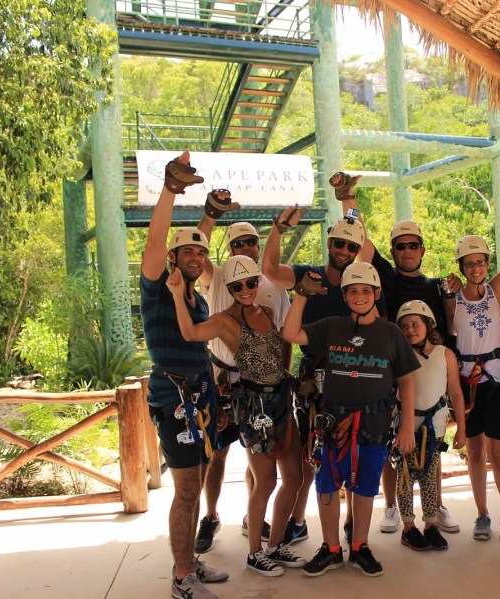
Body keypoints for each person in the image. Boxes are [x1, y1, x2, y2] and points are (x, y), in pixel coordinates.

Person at [167, 255, 307, 576]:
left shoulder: (267, 311)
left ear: (258, 282)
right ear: (229, 288)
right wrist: (177, 295)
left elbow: (284, 343)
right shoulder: (224, 320)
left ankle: (275, 545)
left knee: (294, 478)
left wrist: (286, 371)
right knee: (265, 482)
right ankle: (255, 553)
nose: (245, 290)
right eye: (237, 286)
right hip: (255, 406)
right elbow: (189, 333)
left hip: (281, 400)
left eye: (250, 283)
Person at [281, 262, 418, 578]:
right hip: (334, 424)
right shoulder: (332, 327)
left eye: (365, 291)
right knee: (327, 486)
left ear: (376, 294)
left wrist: (408, 425)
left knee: (365, 487)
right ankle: (331, 549)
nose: (359, 296)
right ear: (344, 296)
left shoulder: (390, 333)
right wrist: (301, 295)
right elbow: (290, 333)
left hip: (374, 424)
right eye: (352, 291)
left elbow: (407, 380)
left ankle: (359, 546)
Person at [262, 197, 385, 545]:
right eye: (339, 243)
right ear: (329, 243)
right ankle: (298, 520)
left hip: (352, 374)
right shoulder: (309, 276)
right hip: (315, 376)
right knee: (311, 451)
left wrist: (351, 205)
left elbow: (378, 331)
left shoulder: (359, 288)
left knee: (353, 447)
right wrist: (278, 229)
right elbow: (270, 270)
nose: (344, 250)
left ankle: (351, 524)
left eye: (351, 246)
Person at [139, 151, 228, 599]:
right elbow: (157, 243)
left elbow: (195, 248)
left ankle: (189, 561)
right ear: (172, 258)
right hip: (173, 396)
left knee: (199, 478)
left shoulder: (195, 298)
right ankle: (181, 576)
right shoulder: (158, 288)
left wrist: (209, 216)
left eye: (200, 252)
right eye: (185, 252)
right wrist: (170, 190)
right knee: (187, 487)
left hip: (201, 394)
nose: (194, 257)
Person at [192, 212, 297, 553]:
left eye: (251, 241)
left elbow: (284, 334)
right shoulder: (218, 276)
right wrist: (209, 216)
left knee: (259, 451)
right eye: (238, 243)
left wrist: (283, 376)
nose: (245, 247)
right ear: (229, 249)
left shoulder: (272, 283)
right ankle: (210, 515)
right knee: (217, 452)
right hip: (223, 374)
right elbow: (196, 255)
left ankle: (254, 518)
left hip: (263, 382)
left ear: (258, 245)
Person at [448, 188, 500, 543]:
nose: (476, 268)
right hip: (469, 385)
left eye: (481, 262)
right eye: (470, 264)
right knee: (475, 452)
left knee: (499, 452)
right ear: (462, 267)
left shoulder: (496, 289)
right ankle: (482, 514)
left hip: (498, 380)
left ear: (486, 263)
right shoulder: (451, 300)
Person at [367, 218, 460, 534]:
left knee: (432, 442)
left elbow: (448, 325)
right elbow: (361, 239)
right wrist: (348, 199)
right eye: (400, 246)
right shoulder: (386, 276)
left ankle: (436, 506)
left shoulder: (435, 286)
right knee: (392, 441)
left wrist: (455, 291)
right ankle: (392, 506)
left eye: (413, 245)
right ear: (393, 250)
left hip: (428, 369)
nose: (407, 250)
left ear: (422, 249)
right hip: (392, 368)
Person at [394, 300, 466, 551]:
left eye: (415, 324)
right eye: (404, 326)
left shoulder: (444, 354)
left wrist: (462, 428)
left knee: (429, 477)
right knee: (405, 477)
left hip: (434, 426)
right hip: (406, 426)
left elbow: (455, 392)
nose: (410, 330)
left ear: (428, 325)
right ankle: (408, 528)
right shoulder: (400, 355)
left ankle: (431, 524)